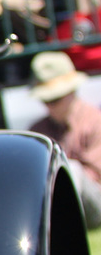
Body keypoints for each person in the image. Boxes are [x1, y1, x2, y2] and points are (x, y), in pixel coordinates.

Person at [28, 51, 101, 228]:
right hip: (53, 202)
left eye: (55, 99)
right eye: (46, 100)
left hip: (95, 202)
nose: (50, 106)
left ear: (72, 91)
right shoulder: (37, 131)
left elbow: (96, 174)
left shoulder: (94, 121)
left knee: (71, 170)